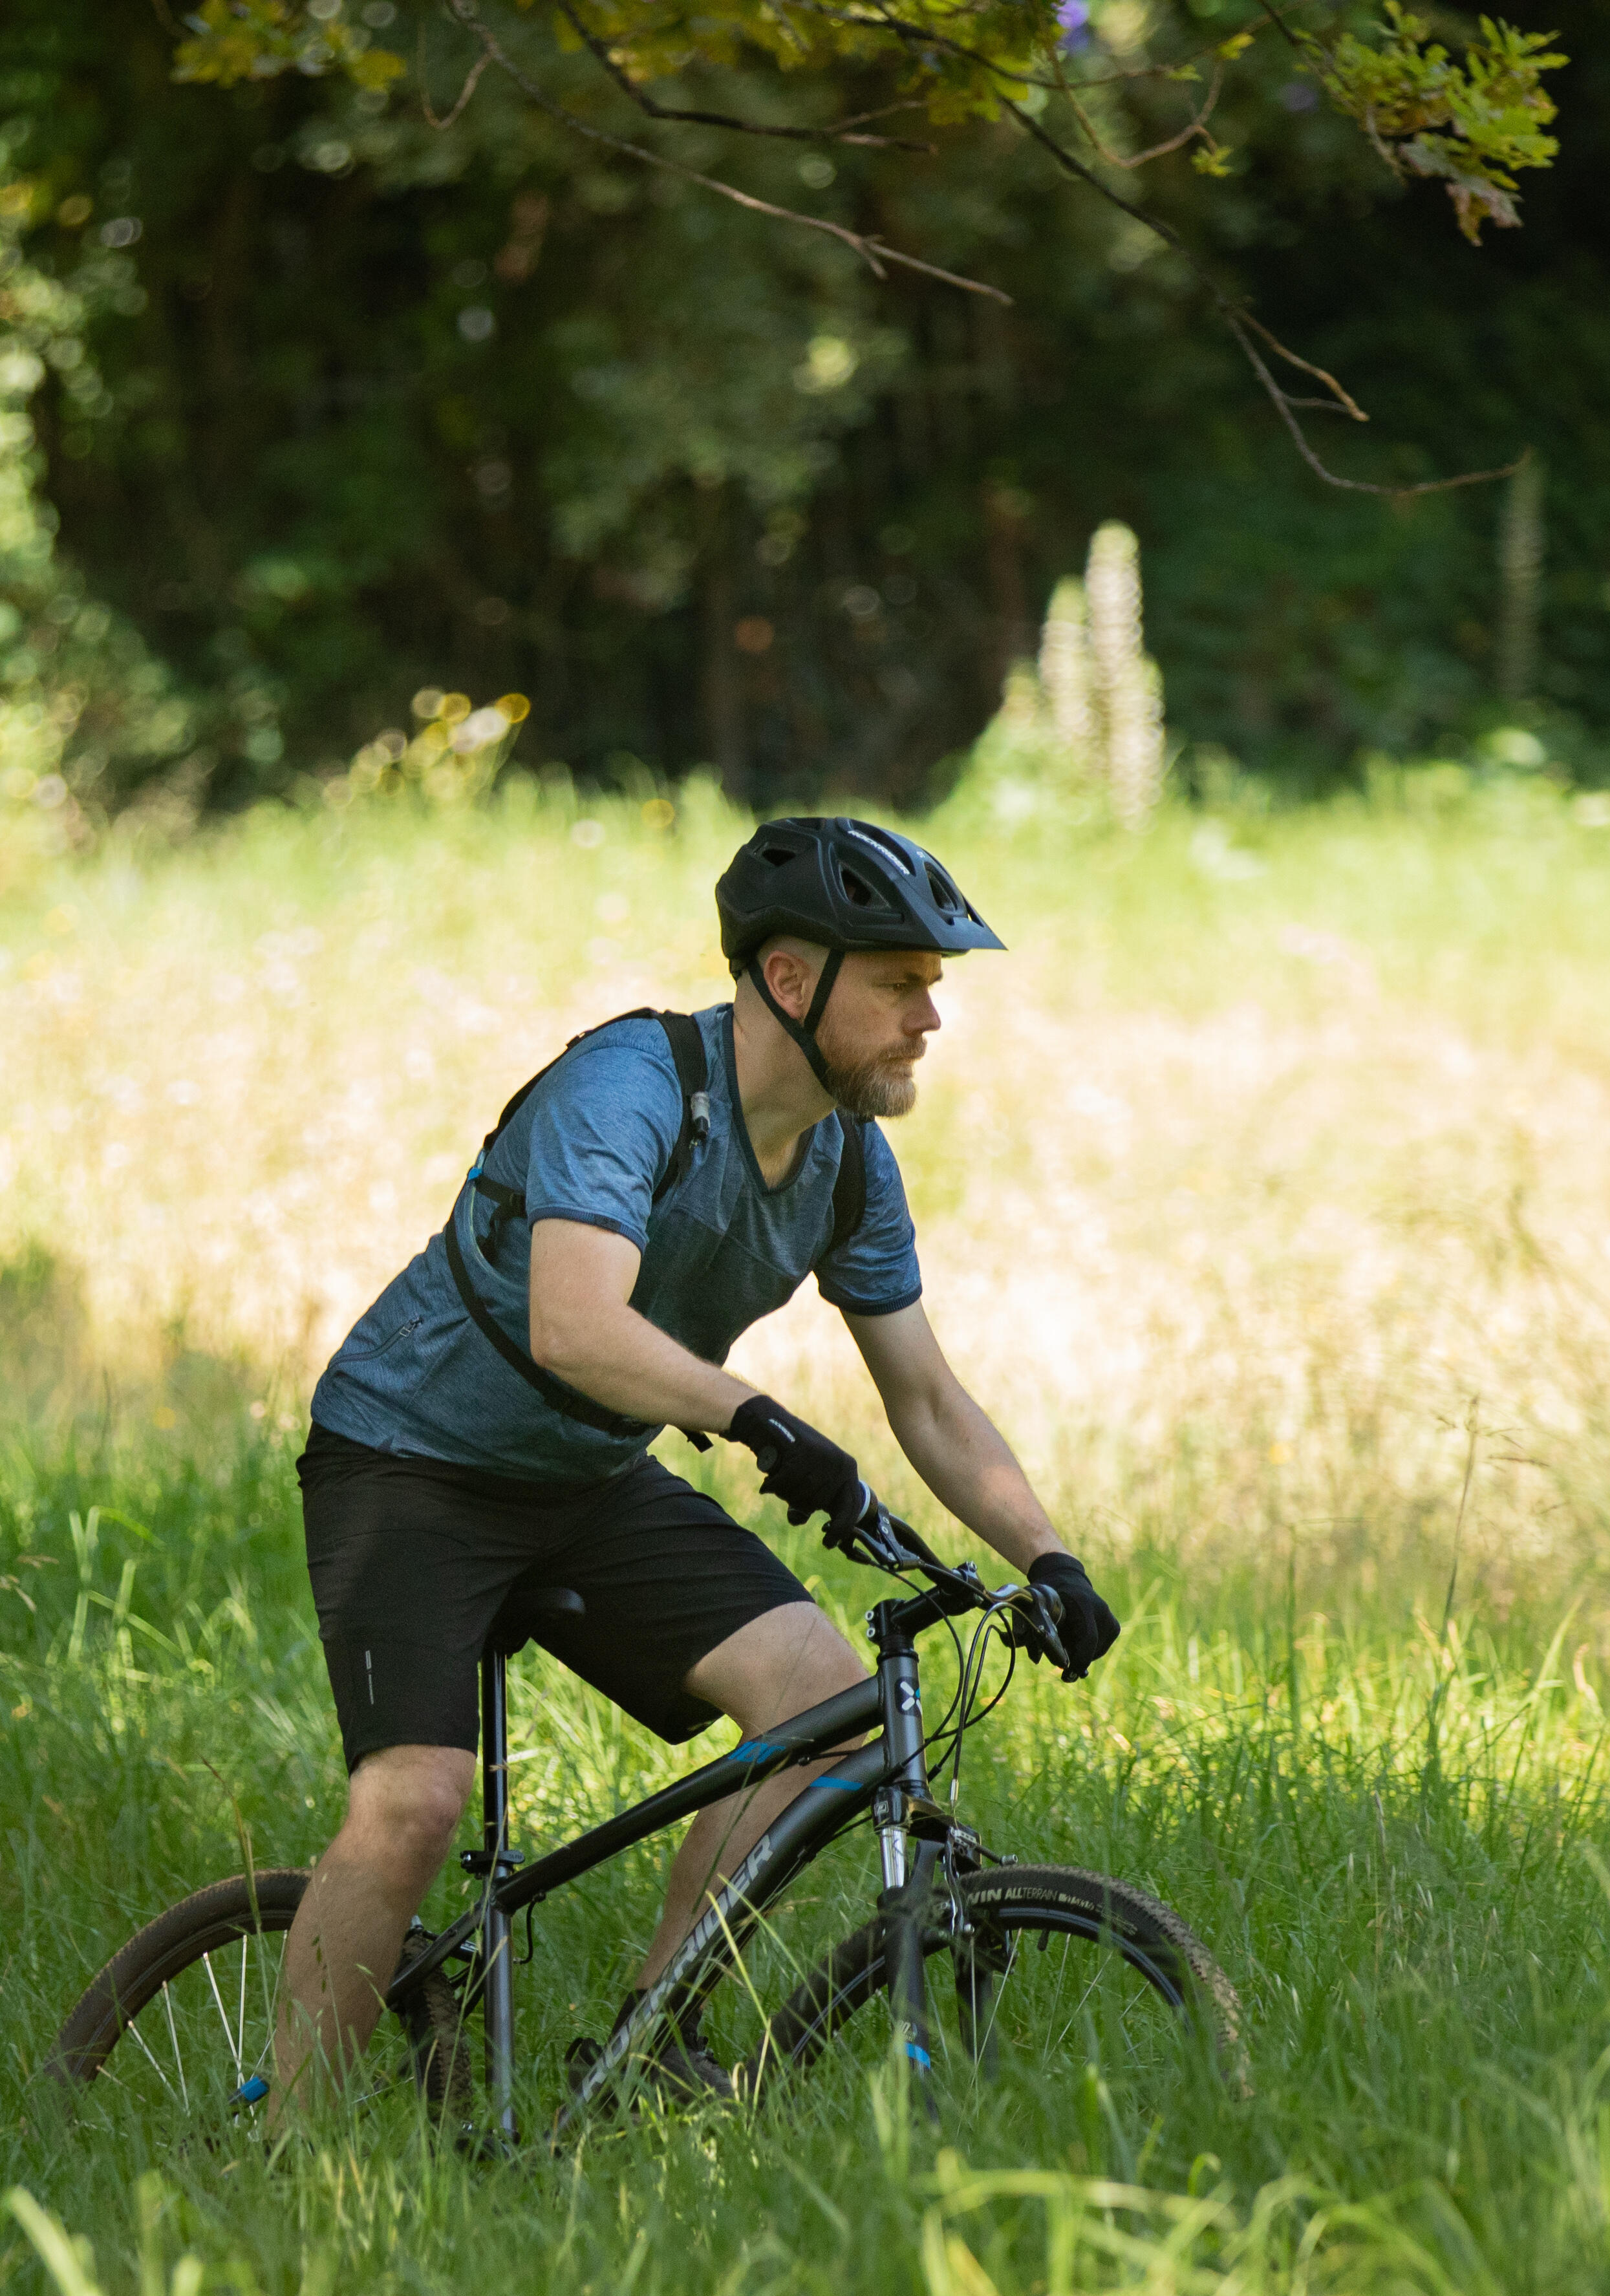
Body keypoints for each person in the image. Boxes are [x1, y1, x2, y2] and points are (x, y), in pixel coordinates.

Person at [271, 814, 1120, 2116]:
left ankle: (642, 2041)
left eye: (931, 987)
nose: (928, 1020)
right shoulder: (633, 1089)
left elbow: (930, 1398)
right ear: (791, 980)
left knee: (820, 1702)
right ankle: (288, 2144)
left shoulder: (846, 1164)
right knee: (414, 1799)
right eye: (899, 984)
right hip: (410, 1461)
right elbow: (574, 1321)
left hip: (586, 1476)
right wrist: (754, 1415)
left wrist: (1046, 1556)